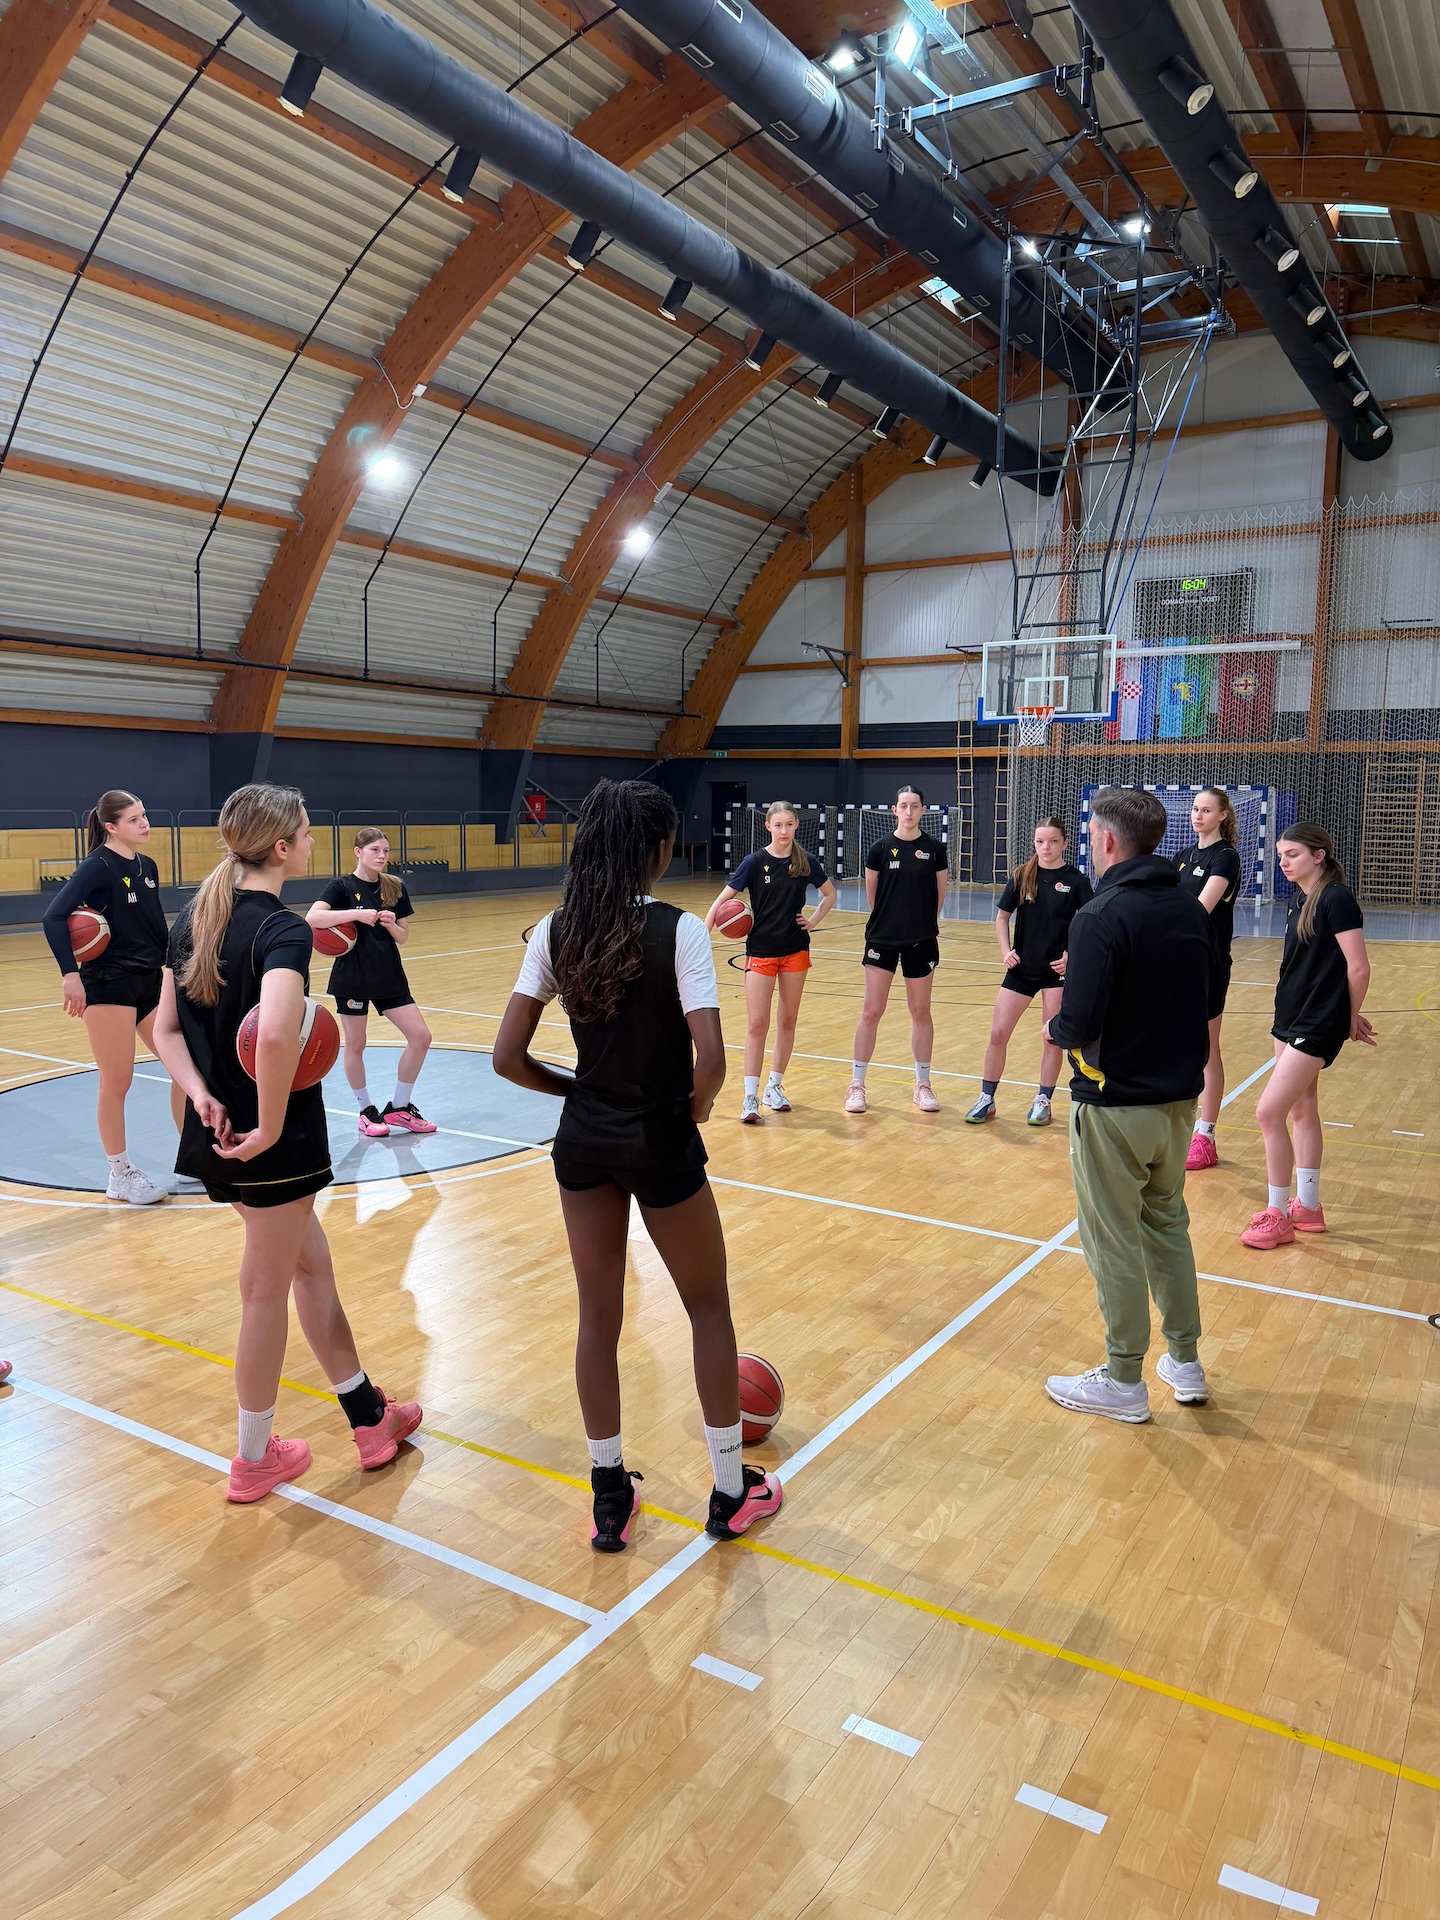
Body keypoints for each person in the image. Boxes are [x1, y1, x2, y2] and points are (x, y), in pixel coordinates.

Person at [494, 780, 782, 1550]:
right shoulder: (681, 930)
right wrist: (695, 1108)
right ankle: (730, 1493)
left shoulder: (553, 930)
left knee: (598, 1317)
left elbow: (507, 1058)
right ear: (656, 849)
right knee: (708, 1309)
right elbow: (711, 1061)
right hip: (658, 1139)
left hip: (584, 1142)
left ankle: (609, 1496)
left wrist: (579, 1092)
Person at [152, 784, 421, 1503]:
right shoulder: (282, 929)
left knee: (311, 1266)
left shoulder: (193, 918)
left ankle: (370, 1417)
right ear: (280, 847)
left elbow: (164, 1030)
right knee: (265, 1291)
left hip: (214, 1131)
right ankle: (253, 1458)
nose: (310, 842)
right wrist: (270, 1124)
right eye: (304, 832)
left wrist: (200, 1094)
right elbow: (274, 1033)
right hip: (268, 1143)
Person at [1041, 787, 1213, 1423]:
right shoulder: (1190, 908)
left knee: (1112, 1239)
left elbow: (1079, 1022)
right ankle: (1185, 1362)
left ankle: (1122, 1380)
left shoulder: (1098, 916)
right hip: (1178, 1104)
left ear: (1109, 839)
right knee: (1167, 1227)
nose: (1088, 843)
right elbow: (1208, 998)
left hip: (1114, 1107)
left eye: (1090, 834)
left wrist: (1056, 1030)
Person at [42, 788, 189, 1204]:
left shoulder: (147, 865)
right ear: (111, 827)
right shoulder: (97, 866)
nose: (145, 823)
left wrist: (176, 969)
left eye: (145, 815)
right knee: (118, 1079)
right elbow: (54, 917)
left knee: (187, 1066)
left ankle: (193, 1158)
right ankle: (120, 1174)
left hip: (149, 981)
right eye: (134, 819)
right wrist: (70, 975)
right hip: (108, 984)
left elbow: (154, 927)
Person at [1241, 824, 1374, 1250]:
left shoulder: (1336, 898)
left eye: (1293, 854)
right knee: (1302, 1107)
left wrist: (1347, 1016)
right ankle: (1308, 1206)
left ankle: (1277, 1213)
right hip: (1288, 1017)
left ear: (1319, 855)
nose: (1283, 861)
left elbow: (1358, 967)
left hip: (1316, 1023)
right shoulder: (1300, 899)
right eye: (1281, 854)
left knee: (1268, 1113)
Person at [705, 802, 835, 1123]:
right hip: (761, 951)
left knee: (787, 1021)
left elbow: (829, 895)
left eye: (789, 824)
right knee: (756, 1024)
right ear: (768, 827)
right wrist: (702, 936)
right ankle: (749, 1096)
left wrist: (813, 921)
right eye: (778, 825)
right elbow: (721, 901)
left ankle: (774, 1087)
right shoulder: (754, 862)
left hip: (795, 951)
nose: (784, 830)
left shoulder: (805, 861)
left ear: (796, 826)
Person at [307, 828, 435, 1137]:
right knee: (356, 1044)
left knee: (421, 1037)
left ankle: (400, 1108)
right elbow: (312, 918)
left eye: (385, 851)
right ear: (358, 852)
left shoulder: (395, 887)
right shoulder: (341, 886)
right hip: (353, 976)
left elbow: (403, 937)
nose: (381, 856)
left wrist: (391, 925)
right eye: (375, 850)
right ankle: (366, 1110)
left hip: (388, 974)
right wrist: (356, 914)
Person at [967, 817, 1093, 1128]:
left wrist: (1071, 955)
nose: (1045, 847)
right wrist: (1005, 951)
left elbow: (1090, 924)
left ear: (1065, 843)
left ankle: (1043, 1100)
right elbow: (1001, 918)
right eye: (1040, 841)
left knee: (1051, 1039)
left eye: (1052, 841)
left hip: (1055, 973)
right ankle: (986, 1097)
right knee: (997, 1034)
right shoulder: (1023, 875)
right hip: (1022, 970)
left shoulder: (1076, 881)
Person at [845, 785, 948, 1114]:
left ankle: (923, 1085)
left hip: (921, 939)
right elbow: (873, 897)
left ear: (923, 810)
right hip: (882, 939)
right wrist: (890, 922)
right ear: (894, 810)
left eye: (914, 806)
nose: (908, 811)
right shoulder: (879, 849)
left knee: (921, 1012)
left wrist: (920, 924)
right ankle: (857, 1085)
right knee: (872, 1011)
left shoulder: (934, 850)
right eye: (903, 806)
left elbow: (939, 896)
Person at [1174, 789, 1244, 1170]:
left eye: (1206, 810)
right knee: (1176, 1044)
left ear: (1222, 816)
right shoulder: (1183, 857)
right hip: (1178, 962)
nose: (1198, 815)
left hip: (1208, 963)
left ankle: (1206, 1135)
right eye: (1195, 809)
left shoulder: (1226, 857)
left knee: (1206, 1048)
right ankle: (1175, 1123)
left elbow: (1200, 908)